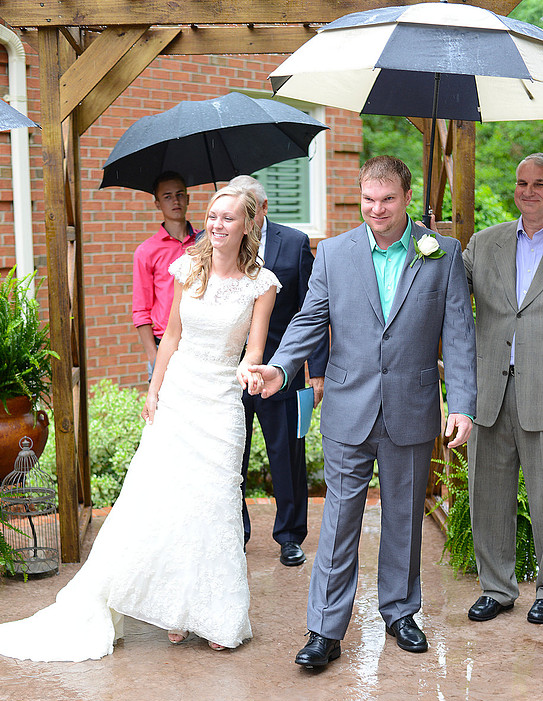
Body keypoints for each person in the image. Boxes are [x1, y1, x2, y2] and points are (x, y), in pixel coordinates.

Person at [0, 186, 280, 661]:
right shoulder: (187, 268)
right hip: (179, 397)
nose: (216, 225)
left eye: (228, 218)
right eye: (212, 216)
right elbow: (171, 338)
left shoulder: (261, 284)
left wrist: (251, 373)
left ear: (248, 224)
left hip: (221, 404)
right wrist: (153, 390)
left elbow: (254, 350)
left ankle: (215, 614)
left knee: (215, 503)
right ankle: (175, 611)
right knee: (170, 500)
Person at [249, 155, 477, 666]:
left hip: (412, 406)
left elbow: (460, 335)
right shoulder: (333, 252)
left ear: (407, 197)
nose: (377, 209)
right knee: (338, 521)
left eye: (388, 199)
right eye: (368, 199)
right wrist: (281, 367)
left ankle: (400, 612)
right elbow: (310, 319)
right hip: (348, 406)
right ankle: (324, 630)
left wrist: (461, 404)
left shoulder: (441, 253)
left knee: (404, 518)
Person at [228, 175, 329, 567]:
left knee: (287, 456)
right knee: (229, 458)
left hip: (281, 371)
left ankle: (289, 536)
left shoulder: (295, 242)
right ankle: (234, 533)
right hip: (230, 373)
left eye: (250, 209)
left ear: (264, 208)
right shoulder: (218, 239)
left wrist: (316, 370)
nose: (243, 217)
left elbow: (312, 309)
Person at [465, 153, 543, 625]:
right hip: (490, 389)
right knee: (489, 494)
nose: (528, 192)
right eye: (522, 183)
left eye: (539, 184)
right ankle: (497, 588)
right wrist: (429, 242)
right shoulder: (484, 242)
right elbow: (449, 292)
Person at [133, 171, 197, 380]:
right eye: (167, 196)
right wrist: (154, 357)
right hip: (165, 346)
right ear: (157, 204)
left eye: (180, 194)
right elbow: (141, 310)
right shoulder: (146, 251)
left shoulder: (206, 243)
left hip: (201, 341)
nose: (175, 201)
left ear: (188, 198)